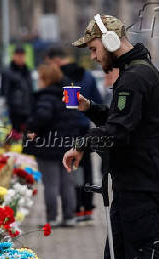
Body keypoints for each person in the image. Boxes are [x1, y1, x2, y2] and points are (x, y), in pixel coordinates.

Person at [62, 15, 159, 259]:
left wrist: (81, 144)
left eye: (94, 49)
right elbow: (121, 120)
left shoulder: (135, 77)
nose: (94, 57)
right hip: (132, 183)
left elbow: (119, 131)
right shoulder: (134, 72)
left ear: (109, 41)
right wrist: (91, 108)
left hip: (139, 184)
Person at [46, 47, 103, 223]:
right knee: (86, 169)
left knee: (70, 169)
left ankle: (75, 207)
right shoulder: (88, 76)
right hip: (85, 128)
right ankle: (87, 208)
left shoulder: (60, 79)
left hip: (67, 131)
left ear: (56, 61)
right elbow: (98, 102)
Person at [23, 64, 79, 227]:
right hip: (67, 144)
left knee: (51, 184)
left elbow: (42, 116)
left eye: (40, 78)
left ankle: (52, 218)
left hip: (48, 146)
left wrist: (32, 128)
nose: (38, 82)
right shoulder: (68, 95)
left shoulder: (46, 97)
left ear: (46, 79)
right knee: (67, 183)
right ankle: (69, 217)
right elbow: (75, 117)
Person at [1, 46, 33, 134]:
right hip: (14, 111)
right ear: (13, 56)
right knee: (14, 136)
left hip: (28, 110)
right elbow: (4, 91)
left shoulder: (28, 71)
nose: (20, 58)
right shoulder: (7, 72)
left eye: (22, 55)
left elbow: (30, 90)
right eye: (18, 55)